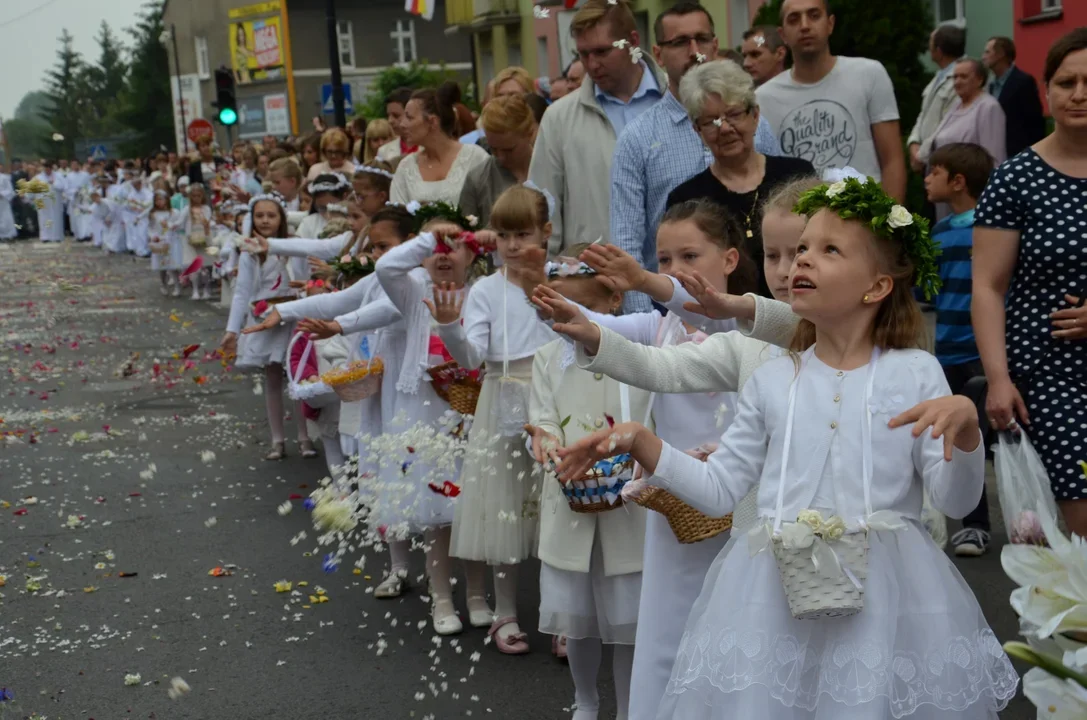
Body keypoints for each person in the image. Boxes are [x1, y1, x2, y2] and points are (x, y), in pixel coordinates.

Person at [555, 177, 1019, 718]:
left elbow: (955, 501)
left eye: (828, 250)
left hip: (887, 603)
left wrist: (966, 430)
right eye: (799, 248)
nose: (800, 261)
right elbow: (720, 490)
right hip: (774, 599)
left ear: (876, 286)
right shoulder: (773, 380)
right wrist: (641, 439)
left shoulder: (916, 372)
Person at [533, 193, 805, 720]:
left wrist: (644, 281)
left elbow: (704, 306)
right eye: (665, 260)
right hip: (673, 498)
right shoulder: (661, 328)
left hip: (737, 506)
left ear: (729, 259)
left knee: (735, 631)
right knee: (665, 634)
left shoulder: (747, 322)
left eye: (689, 256)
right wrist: (564, 304)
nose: (675, 271)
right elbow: (617, 338)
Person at [525, 244, 652, 719]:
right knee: (577, 620)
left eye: (586, 309)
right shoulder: (547, 358)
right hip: (570, 494)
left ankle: (625, 707)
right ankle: (584, 700)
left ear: (614, 303)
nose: (572, 323)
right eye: (562, 311)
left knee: (627, 621)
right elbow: (543, 416)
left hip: (628, 500)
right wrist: (546, 444)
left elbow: (649, 414)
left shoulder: (639, 354)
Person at [973, 28, 1087, 536]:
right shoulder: (1017, 178)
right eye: (1067, 82)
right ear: (1047, 91)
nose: (1080, 94)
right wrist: (998, 378)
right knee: (1079, 511)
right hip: (1049, 370)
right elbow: (988, 286)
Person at [611, 3, 782, 312]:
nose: (694, 51)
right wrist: (650, 330)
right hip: (677, 314)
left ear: (715, 46)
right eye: (679, 42)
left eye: (702, 39)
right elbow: (628, 242)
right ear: (658, 54)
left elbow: (781, 203)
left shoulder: (756, 124)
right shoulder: (637, 138)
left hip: (763, 307)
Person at [369, 221, 482, 635]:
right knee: (438, 515)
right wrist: (426, 237)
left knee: (474, 511)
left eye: (454, 248)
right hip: (426, 416)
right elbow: (384, 268)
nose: (443, 254)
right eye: (435, 249)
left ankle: (476, 596)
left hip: (469, 414)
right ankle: (442, 599)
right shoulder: (414, 294)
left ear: (472, 255)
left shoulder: (482, 296)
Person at [666, 60, 814, 297]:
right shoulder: (687, 200)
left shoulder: (797, 176)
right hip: (724, 326)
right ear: (697, 130)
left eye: (733, 114)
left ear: (755, 115)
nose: (724, 128)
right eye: (711, 121)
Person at [529, 0, 666, 255]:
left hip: (678, 279)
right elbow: (542, 209)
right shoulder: (559, 118)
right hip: (593, 282)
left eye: (602, 52)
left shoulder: (678, 101)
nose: (591, 65)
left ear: (633, 41)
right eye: (583, 54)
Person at [921, 142, 995, 555]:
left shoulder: (994, 227)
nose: (926, 179)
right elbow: (927, 288)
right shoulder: (939, 232)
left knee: (1006, 436)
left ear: (958, 181)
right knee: (963, 439)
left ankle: (1037, 517)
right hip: (947, 350)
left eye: (934, 172)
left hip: (987, 353)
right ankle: (974, 524)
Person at [757, 0, 906, 201]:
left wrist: (891, 222)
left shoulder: (869, 74)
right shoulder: (764, 98)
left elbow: (892, 160)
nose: (804, 26)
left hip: (865, 215)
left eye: (814, 15)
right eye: (794, 19)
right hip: (799, 221)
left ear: (830, 24)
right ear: (782, 34)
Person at [220, 194, 310, 461]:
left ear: (282, 218)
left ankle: (305, 437)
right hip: (263, 319)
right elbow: (242, 292)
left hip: (292, 316)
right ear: (251, 219)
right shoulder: (248, 251)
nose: (266, 220)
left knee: (297, 377)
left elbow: (304, 280)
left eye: (271, 215)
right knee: (272, 378)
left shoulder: (292, 245)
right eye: (260, 216)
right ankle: (277, 440)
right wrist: (232, 330)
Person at [389, 87, 489, 206]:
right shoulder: (406, 167)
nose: (402, 124)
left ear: (433, 121)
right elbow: (396, 215)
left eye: (409, 117)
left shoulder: (475, 158)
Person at [458, 94, 538, 228]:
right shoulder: (477, 179)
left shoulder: (552, 169)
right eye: (493, 149)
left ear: (529, 134)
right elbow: (465, 236)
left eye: (509, 150)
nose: (500, 157)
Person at [908, 24, 967, 177]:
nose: (929, 49)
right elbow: (924, 114)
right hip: (928, 161)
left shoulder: (961, 80)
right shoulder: (939, 76)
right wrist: (913, 142)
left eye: (931, 45)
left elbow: (947, 125)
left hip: (944, 164)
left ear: (939, 51)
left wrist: (920, 155)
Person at [983, 36, 1047, 159]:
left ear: (1000, 54)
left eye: (987, 52)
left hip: (1018, 155)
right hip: (995, 154)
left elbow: (1035, 123)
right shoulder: (990, 85)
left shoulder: (1023, 82)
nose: (983, 56)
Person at [376, 87, 419, 163]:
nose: (390, 121)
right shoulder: (383, 151)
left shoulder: (432, 148)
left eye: (396, 116)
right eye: (388, 115)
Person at [33, 160, 65, 243]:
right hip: (43, 202)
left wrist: (54, 183)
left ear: (51, 168)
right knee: (44, 219)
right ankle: (45, 237)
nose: (47, 170)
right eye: (46, 168)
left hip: (55, 203)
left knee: (56, 218)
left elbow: (63, 186)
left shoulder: (58, 176)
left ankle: (57, 236)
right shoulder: (38, 177)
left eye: (49, 168)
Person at [0, 163, 15, 241]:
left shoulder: (4, 178)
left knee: (5, 218)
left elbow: (10, 190)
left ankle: (7, 235)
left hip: (3, 202)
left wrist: (2, 194)